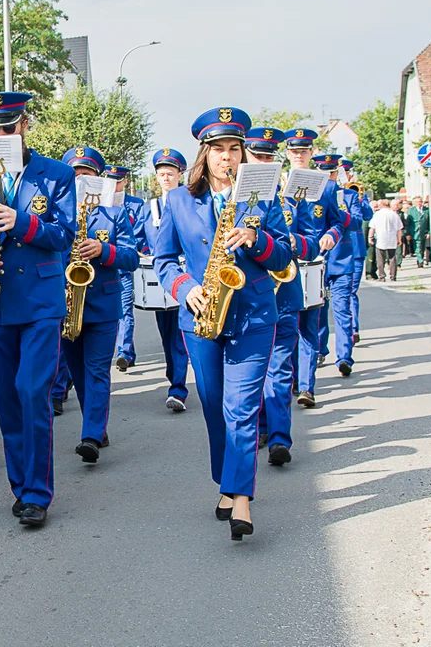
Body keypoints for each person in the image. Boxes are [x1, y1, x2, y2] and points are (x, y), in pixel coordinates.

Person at [154, 107, 292, 541]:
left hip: (253, 314)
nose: (227, 158)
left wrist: (258, 239)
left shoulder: (263, 197)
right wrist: (184, 287)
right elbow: (163, 260)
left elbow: (286, 255)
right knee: (215, 408)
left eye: (235, 149)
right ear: (205, 154)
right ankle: (227, 483)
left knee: (241, 408)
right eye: (218, 150)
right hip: (201, 318)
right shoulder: (178, 200)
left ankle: (242, 500)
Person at [0, 91, 76, 528]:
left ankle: (37, 493)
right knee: (7, 400)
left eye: (7, 128)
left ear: (24, 125)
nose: (0, 136)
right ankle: (19, 485)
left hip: (41, 303)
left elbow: (64, 235)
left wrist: (22, 222)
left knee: (32, 392)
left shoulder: (57, 174)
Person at [59, 147, 140, 463]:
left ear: (98, 178)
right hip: (66, 304)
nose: (81, 179)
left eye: (87, 174)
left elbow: (131, 257)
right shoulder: (56, 213)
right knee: (77, 372)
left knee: (96, 370)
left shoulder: (115, 214)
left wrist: (104, 250)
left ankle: (91, 435)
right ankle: (97, 424)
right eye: (76, 174)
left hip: (103, 303)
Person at [248, 126, 318, 466]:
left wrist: (292, 244)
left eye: (268, 157)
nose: (263, 162)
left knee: (278, 368)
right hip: (249, 297)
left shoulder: (293, 197)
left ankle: (279, 438)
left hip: (286, 291)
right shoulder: (232, 197)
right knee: (252, 371)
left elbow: (313, 240)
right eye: (257, 155)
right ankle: (260, 427)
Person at [287, 131, 352, 408]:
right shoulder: (276, 185)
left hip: (313, 264)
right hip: (283, 265)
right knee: (283, 328)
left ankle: (306, 386)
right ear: (287, 153)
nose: (299, 155)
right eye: (294, 151)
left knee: (309, 328)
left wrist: (331, 236)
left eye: (304, 151)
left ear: (311, 152)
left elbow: (338, 222)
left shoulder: (326, 187)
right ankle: (288, 379)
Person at [143, 148, 192, 412]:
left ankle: (178, 388)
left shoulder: (188, 203)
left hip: (183, 278)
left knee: (178, 336)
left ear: (179, 175)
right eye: (161, 174)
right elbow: (140, 240)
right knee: (166, 336)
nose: (165, 179)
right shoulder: (148, 208)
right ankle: (174, 375)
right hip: (158, 280)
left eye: (170, 174)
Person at [318, 155, 365, 377]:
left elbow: (357, 223)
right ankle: (320, 350)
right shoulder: (311, 196)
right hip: (317, 260)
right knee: (318, 312)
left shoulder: (349, 195)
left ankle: (344, 357)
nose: (327, 176)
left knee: (342, 311)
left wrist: (339, 213)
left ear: (337, 173)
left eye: (331, 172)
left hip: (341, 261)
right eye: (323, 172)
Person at [106, 164, 147, 373]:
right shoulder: (99, 199)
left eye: (118, 181)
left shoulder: (136, 204)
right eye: (110, 180)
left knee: (125, 311)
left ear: (125, 182)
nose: (114, 185)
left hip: (123, 264)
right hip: (101, 264)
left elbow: (139, 232)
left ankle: (124, 353)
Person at [341, 162, 373, 344]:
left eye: (346, 172)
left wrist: (360, 198)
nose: (344, 175)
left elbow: (368, 216)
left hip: (356, 248)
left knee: (351, 291)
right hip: (336, 249)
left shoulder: (357, 194)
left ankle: (354, 329)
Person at [368, 198, 403, 282]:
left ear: (381, 205)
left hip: (381, 238)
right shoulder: (394, 214)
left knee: (380, 259)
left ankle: (382, 276)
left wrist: (370, 237)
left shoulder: (377, 214)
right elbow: (399, 229)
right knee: (392, 258)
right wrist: (399, 239)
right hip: (392, 238)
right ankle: (393, 276)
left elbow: (372, 227)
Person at [364, 200, 380, 280]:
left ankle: (374, 272)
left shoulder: (378, 216)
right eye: (375, 207)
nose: (377, 209)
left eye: (378, 207)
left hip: (379, 240)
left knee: (377, 259)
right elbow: (365, 230)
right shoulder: (368, 218)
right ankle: (369, 273)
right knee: (370, 258)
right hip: (370, 241)